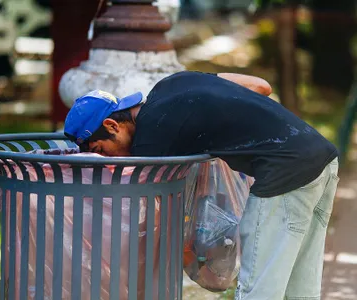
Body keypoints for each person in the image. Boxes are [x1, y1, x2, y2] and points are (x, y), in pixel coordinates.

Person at [64, 71, 339, 299]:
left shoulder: (151, 139)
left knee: (259, 288)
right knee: (301, 286)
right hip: (322, 158)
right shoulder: (171, 84)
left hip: (285, 174)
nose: (110, 158)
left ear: (112, 125)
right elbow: (260, 86)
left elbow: (145, 216)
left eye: (104, 150)